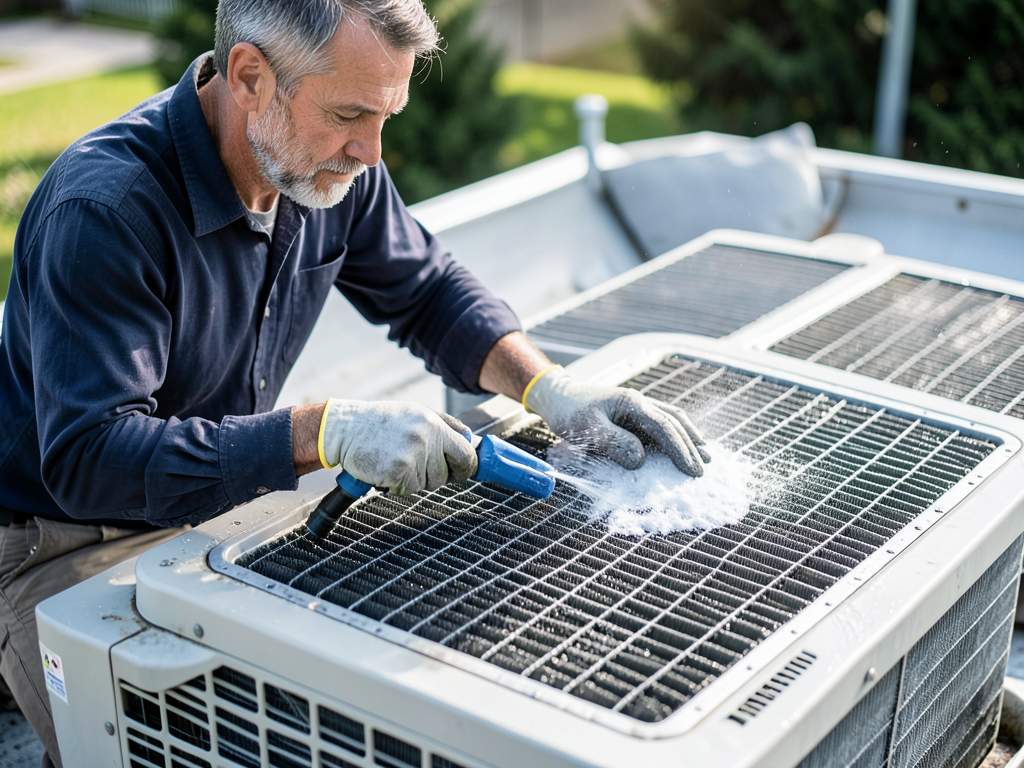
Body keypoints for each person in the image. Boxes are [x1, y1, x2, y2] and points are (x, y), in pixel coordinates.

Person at [0, 1, 708, 764]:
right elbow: (89, 458)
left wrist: (550, 390)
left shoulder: (322, 165)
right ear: (249, 77)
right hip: (62, 539)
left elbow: (429, 292)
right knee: (174, 745)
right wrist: (323, 431)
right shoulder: (105, 210)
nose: (371, 152)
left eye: (386, 116)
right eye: (349, 114)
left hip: (214, 502)